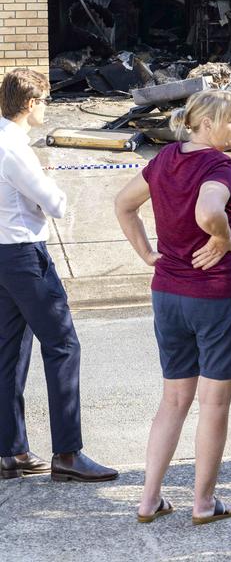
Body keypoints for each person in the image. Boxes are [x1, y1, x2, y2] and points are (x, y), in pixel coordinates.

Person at [116, 88, 231, 524]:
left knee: (173, 401)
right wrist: (223, 238)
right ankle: (202, 503)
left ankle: (149, 499)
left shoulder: (166, 158)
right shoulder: (218, 163)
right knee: (213, 405)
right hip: (216, 294)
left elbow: (124, 204)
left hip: (169, 292)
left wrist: (147, 254)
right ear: (209, 124)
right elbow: (208, 209)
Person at [0, 67, 118, 482]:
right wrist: (50, 187)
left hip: (1, 254)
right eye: (45, 101)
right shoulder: (15, 148)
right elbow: (56, 204)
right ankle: (68, 453)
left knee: (9, 352)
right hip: (24, 254)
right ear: (31, 104)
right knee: (63, 346)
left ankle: (10, 452)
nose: (46, 108)